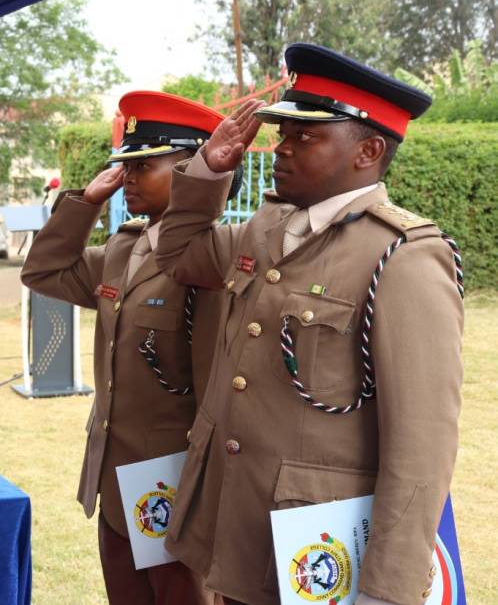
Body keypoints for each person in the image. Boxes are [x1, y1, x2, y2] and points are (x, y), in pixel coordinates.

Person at [154, 43, 461, 605]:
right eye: (284, 133)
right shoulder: (267, 227)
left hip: (318, 548)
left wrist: (388, 587)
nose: (282, 148)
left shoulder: (404, 255)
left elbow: (422, 443)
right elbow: (177, 256)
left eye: (306, 136)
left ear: (368, 150)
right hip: (235, 528)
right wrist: (208, 172)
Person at [20, 91, 227, 605]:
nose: (129, 177)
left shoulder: (215, 259)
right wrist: (85, 203)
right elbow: (42, 271)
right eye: (126, 164)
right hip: (115, 478)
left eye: (145, 164)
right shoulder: (123, 247)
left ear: (193, 169)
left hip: (174, 479)